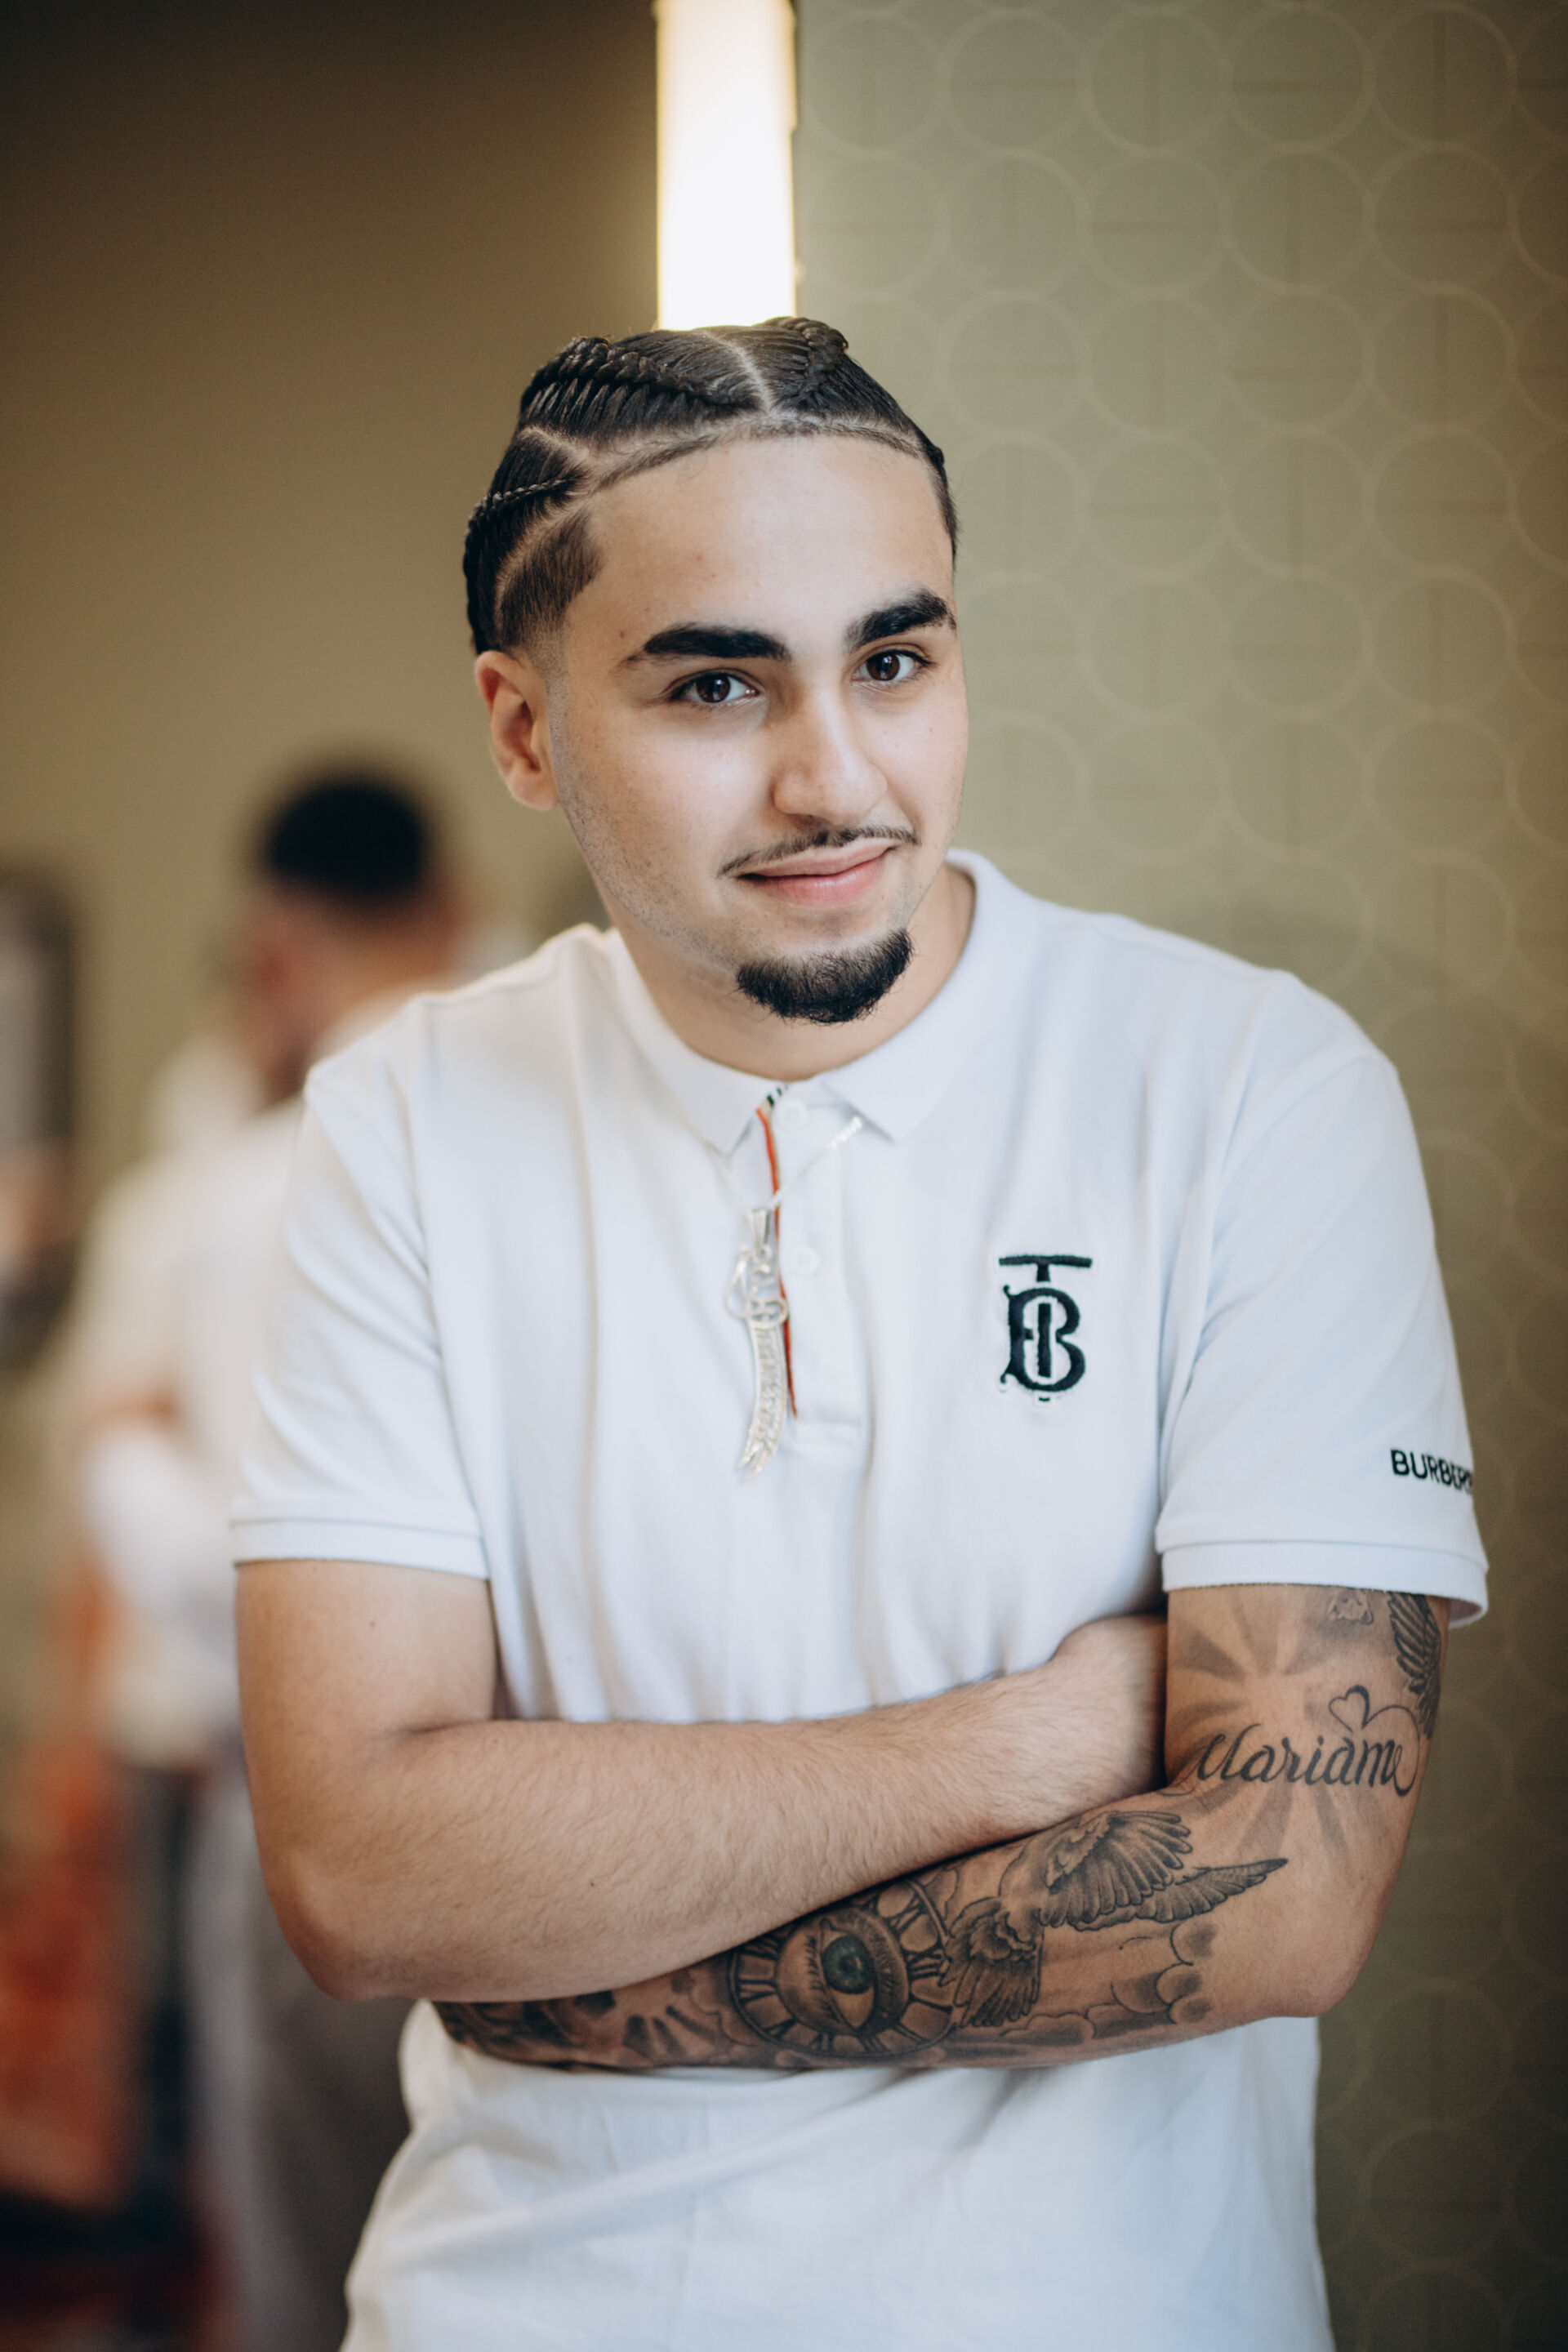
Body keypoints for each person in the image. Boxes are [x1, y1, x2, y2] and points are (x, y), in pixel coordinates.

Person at [233, 323, 1486, 2351]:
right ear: (525, 731)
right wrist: (1034, 1741)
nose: (835, 778)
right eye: (716, 684)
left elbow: (1282, 1887)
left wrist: (581, 1971)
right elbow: (363, 1875)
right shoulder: (406, 1120)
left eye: (894, 661)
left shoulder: (1252, 1088)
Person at [65, 770, 462, 2347]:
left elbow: (230, 1575)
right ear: (447, 901)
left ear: (278, 938)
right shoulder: (587, 1148)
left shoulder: (251, 1192)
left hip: (309, 1797)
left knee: (315, 2266)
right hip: (573, 1805)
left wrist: (115, 1453)